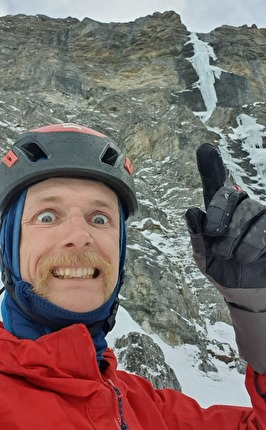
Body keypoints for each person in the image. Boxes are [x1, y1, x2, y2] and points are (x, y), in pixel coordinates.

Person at [0, 122, 265, 429]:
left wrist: (260, 309)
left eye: (99, 218)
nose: (79, 235)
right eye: (47, 216)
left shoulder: (151, 411)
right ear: (9, 246)